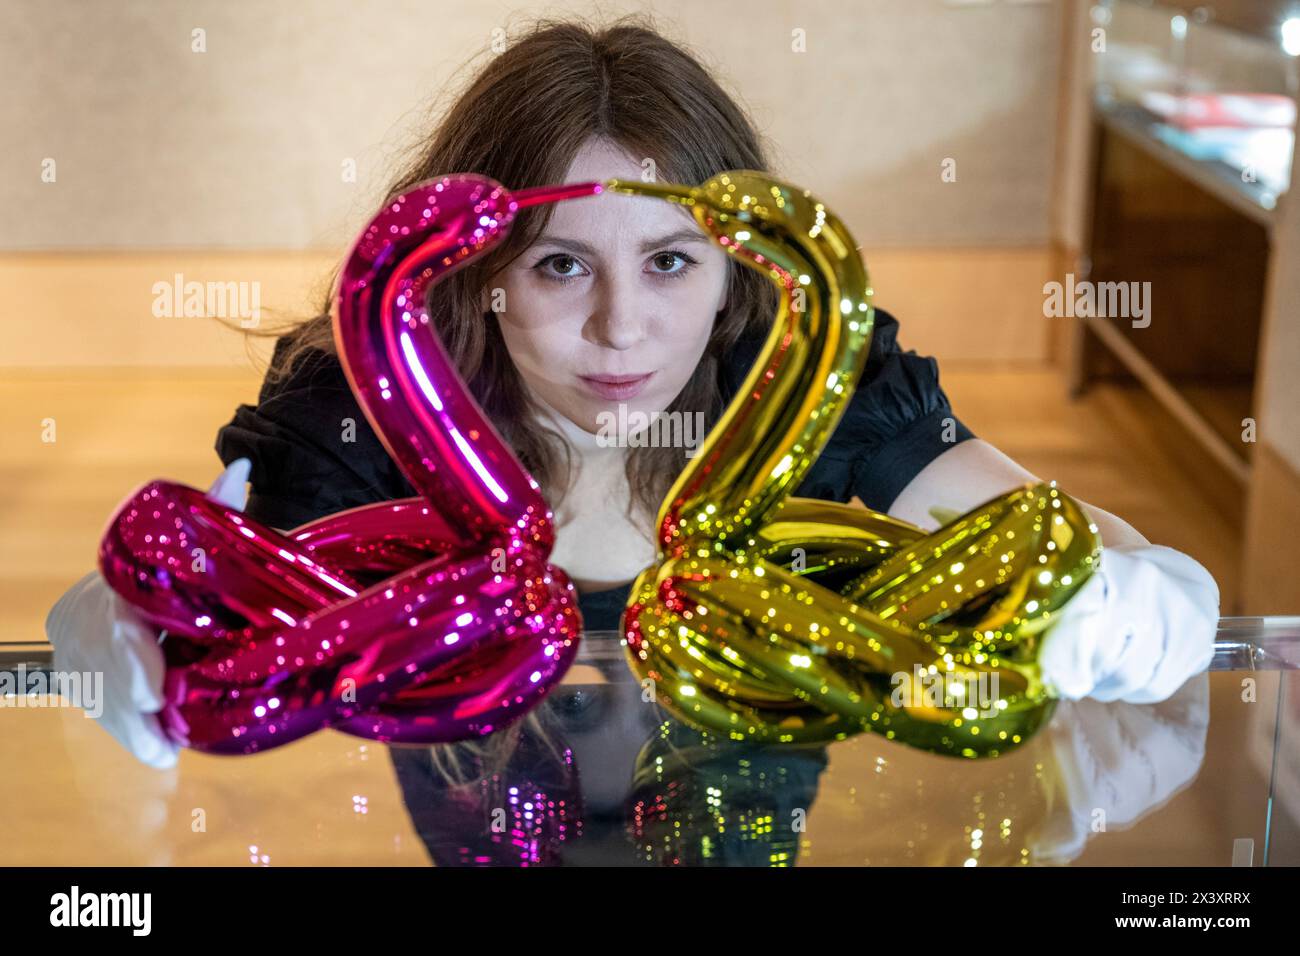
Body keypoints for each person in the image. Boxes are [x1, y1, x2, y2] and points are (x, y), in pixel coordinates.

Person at [45, 18, 1219, 770]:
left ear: (736, 269)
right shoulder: (364, 407)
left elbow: (1077, 543)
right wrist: (113, 619)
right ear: (478, 273)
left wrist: (1147, 597)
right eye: (561, 264)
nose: (621, 327)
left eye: (669, 261)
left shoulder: (814, 382)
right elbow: (187, 585)